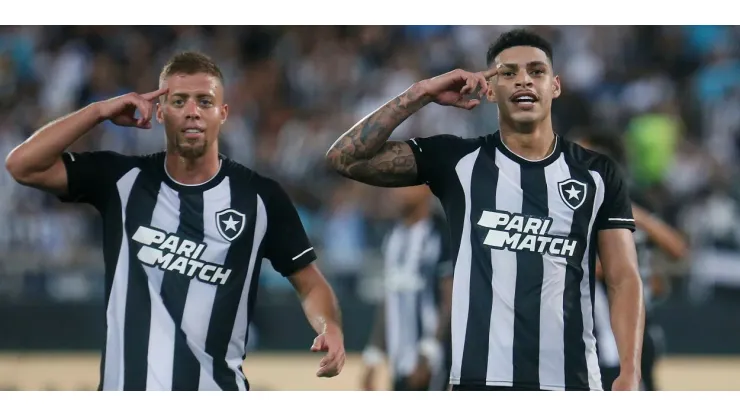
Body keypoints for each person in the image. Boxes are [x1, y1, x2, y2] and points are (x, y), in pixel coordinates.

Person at [326, 28, 645, 391]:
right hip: (478, 385)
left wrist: (630, 371)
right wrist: (421, 93)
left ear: (555, 86)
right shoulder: (457, 161)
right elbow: (343, 157)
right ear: (489, 90)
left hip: (571, 384)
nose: (524, 80)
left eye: (536, 71)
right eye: (508, 73)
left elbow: (623, 278)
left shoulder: (596, 173)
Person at [5, 51, 345, 391]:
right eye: (179, 101)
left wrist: (329, 326)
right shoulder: (121, 180)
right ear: (161, 110)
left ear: (222, 114)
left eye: (205, 101)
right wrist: (99, 111)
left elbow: (310, 283)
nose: (193, 112)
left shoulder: (260, 198)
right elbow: (22, 165)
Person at [573, 129, 689, 391]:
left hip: (630, 325)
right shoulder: (581, 201)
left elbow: (677, 249)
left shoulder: (631, 200)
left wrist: (632, 215)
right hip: (605, 325)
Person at [360, 185, 453, 391]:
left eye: (406, 185)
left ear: (427, 188)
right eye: (394, 186)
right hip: (399, 361)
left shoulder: (442, 234)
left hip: (433, 364)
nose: (398, 191)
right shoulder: (392, 235)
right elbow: (389, 298)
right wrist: (374, 354)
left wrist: (430, 352)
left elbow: (451, 299)